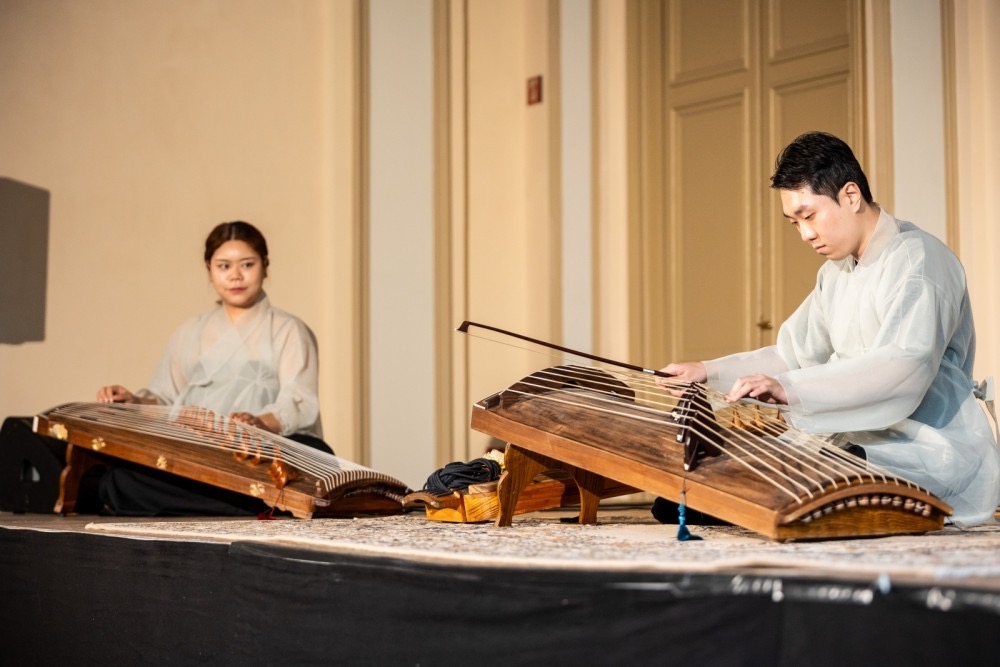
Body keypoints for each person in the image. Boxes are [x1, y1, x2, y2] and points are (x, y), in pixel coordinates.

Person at [659, 131, 1000, 528]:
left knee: (785, 495)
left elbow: (904, 367)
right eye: (794, 222)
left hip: (923, 444)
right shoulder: (835, 272)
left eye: (809, 215)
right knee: (682, 498)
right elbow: (795, 352)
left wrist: (791, 388)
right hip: (850, 437)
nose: (805, 234)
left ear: (851, 196)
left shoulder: (920, 260)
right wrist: (706, 370)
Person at [94, 220, 329, 515]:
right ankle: (253, 502)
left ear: (265, 266)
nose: (236, 276)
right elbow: (166, 398)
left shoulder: (288, 329)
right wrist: (134, 401)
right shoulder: (189, 332)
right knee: (121, 478)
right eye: (224, 266)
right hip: (201, 455)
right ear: (209, 269)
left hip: (260, 455)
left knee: (313, 457)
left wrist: (259, 423)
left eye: (247, 264)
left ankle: (248, 498)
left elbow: (300, 401)